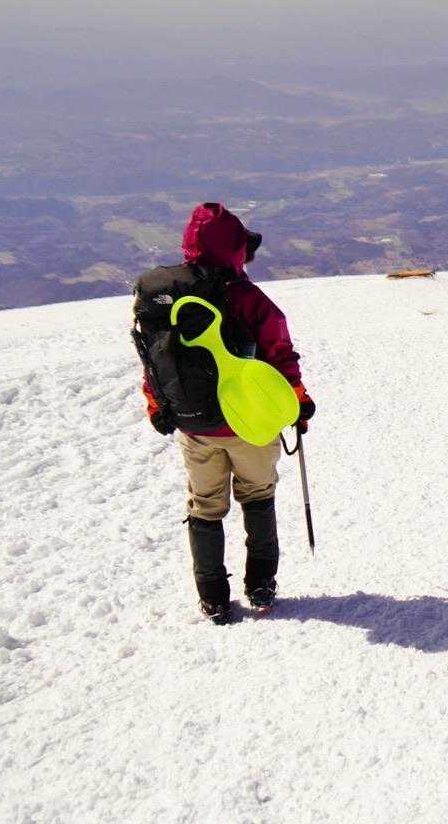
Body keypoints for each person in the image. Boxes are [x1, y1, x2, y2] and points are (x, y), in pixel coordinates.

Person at [132, 203, 315, 625]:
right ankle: (261, 585)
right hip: (250, 423)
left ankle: (213, 597)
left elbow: (153, 361)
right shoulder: (248, 298)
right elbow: (280, 356)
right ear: (233, 249)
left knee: (205, 507)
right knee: (258, 495)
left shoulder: (164, 297)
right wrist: (298, 403)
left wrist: (156, 406)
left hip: (194, 424)